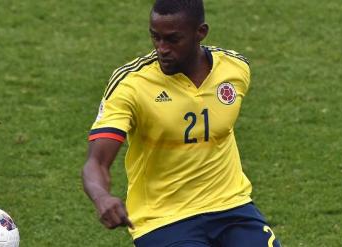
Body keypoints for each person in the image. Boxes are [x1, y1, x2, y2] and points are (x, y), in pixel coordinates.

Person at [82, 0, 281, 246]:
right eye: (155, 38)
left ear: (201, 33)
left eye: (173, 39)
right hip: (163, 219)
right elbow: (96, 162)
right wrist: (101, 196)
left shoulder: (235, 69)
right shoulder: (131, 85)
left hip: (232, 206)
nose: (161, 49)